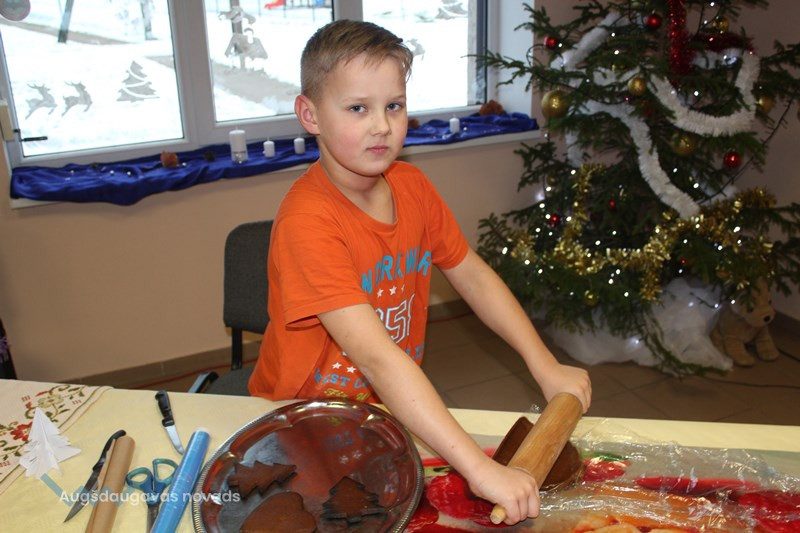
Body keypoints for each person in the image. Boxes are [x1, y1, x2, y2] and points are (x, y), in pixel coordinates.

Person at [248, 19, 591, 525]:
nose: (382, 126)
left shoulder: (412, 186)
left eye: (394, 105)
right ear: (310, 114)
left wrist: (544, 364)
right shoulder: (308, 222)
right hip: (305, 422)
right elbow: (378, 358)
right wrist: (480, 469)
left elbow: (472, 275)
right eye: (358, 108)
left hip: (384, 412)